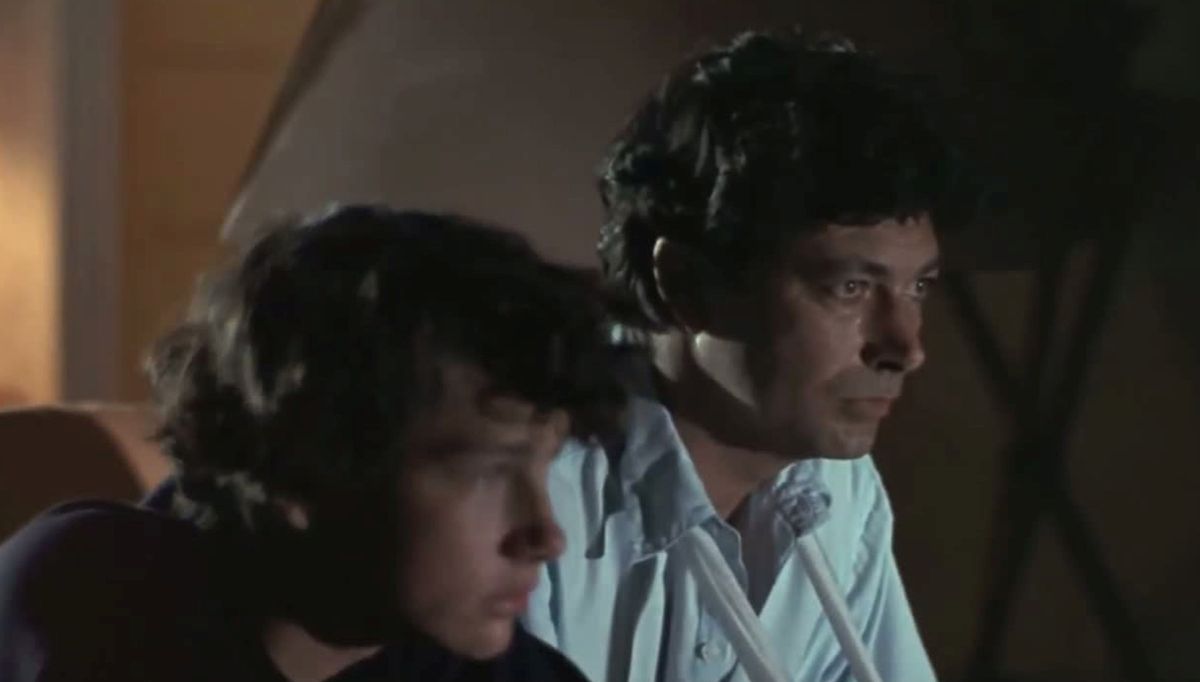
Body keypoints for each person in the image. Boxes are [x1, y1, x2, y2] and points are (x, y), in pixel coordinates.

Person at [0, 206, 628, 681]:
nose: (547, 535)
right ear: (309, 462)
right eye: (485, 472)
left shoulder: (480, 663)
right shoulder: (94, 603)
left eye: (544, 463)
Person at [523, 28, 976, 681]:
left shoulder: (837, 490)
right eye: (850, 288)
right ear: (687, 285)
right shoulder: (532, 492)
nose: (906, 349)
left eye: (918, 288)